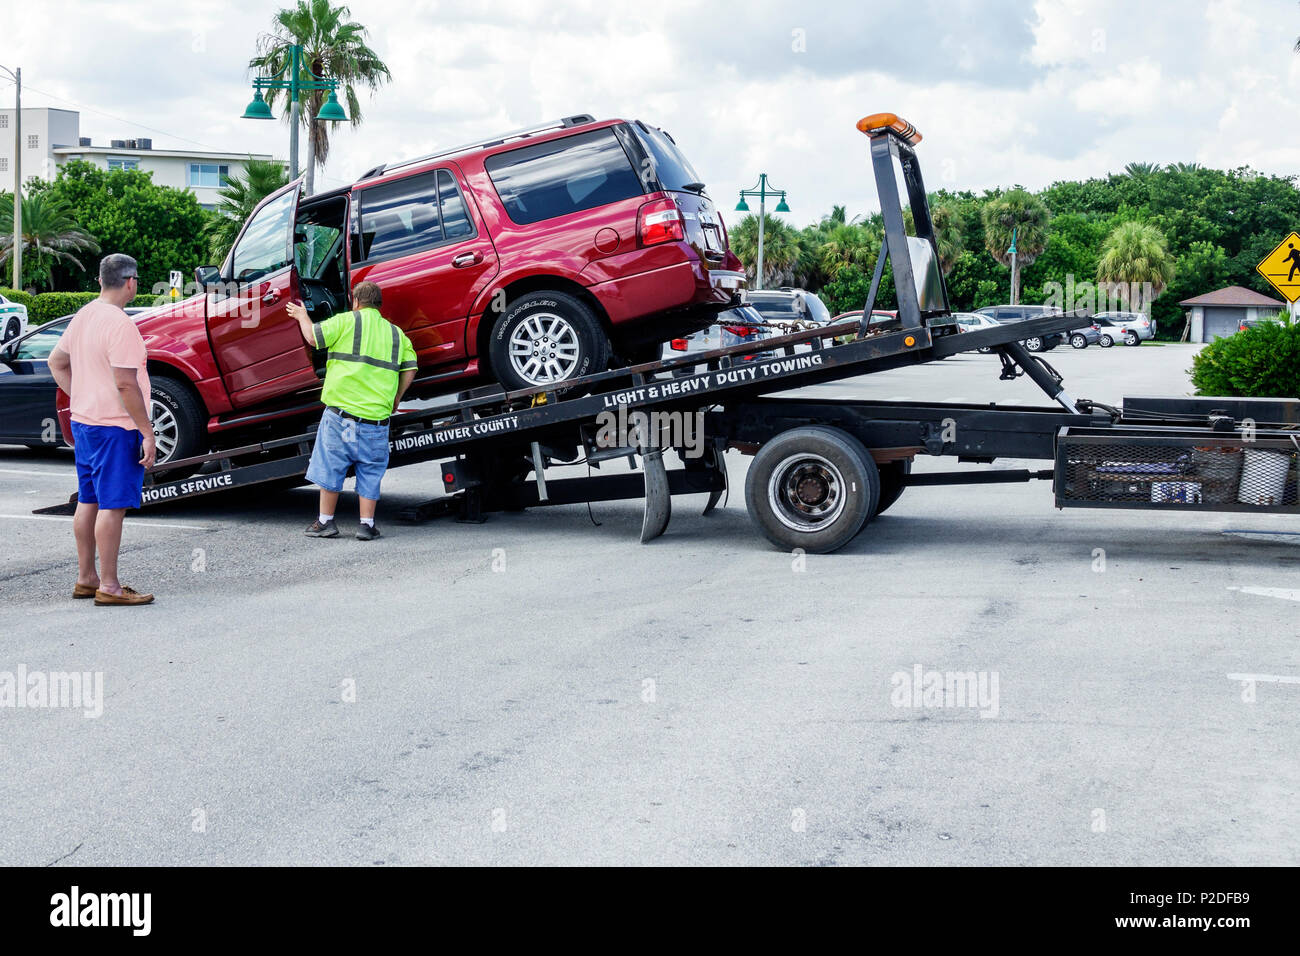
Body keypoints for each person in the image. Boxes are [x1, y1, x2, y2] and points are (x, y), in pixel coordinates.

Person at [47, 253, 156, 606]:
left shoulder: (84, 316)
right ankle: (109, 586)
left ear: (99, 281)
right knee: (113, 504)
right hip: (115, 427)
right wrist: (148, 432)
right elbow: (126, 384)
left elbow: (56, 362)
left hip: (85, 424)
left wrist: (80, 393)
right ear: (131, 282)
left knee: (89, 499)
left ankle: (86, 578)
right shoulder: (120, 324)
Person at [287, 281, 417, 540]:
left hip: (341, 417)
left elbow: (313, 337)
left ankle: (325, 522)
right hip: (376, 420)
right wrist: (396, 398)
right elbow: (410, 367)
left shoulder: (345, 321)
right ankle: (366, 525)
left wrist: (303, 315)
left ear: (355, 301)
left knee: (331, 466)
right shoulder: (396, 334)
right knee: (371, 470)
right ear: (379, 305)